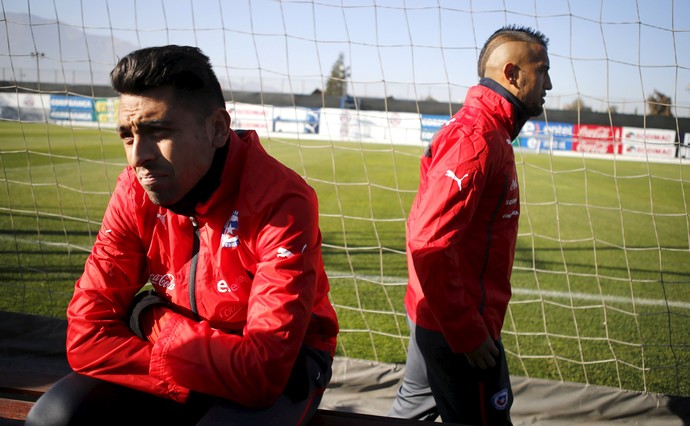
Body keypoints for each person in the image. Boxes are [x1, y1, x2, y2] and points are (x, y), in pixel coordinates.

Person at [26, 45, 339, 426]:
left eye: (157, 131)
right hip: (187, 357)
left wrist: (150, 318)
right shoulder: (133, 190)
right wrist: (187, 376)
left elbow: (262, 372)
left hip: (287, 366)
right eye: (127, 136)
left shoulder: (282, 201)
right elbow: (84, 337)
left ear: (218, 129)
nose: (137, 157)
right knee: (54, 417)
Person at [388, 25, 552, 425]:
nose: (549, 83)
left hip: (435, 311)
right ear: (512, 73)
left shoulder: (489, 131)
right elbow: (428, 240)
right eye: (543, 70)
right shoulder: (476, 138)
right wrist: (468, 333)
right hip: (457, 329)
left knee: (410, 410)